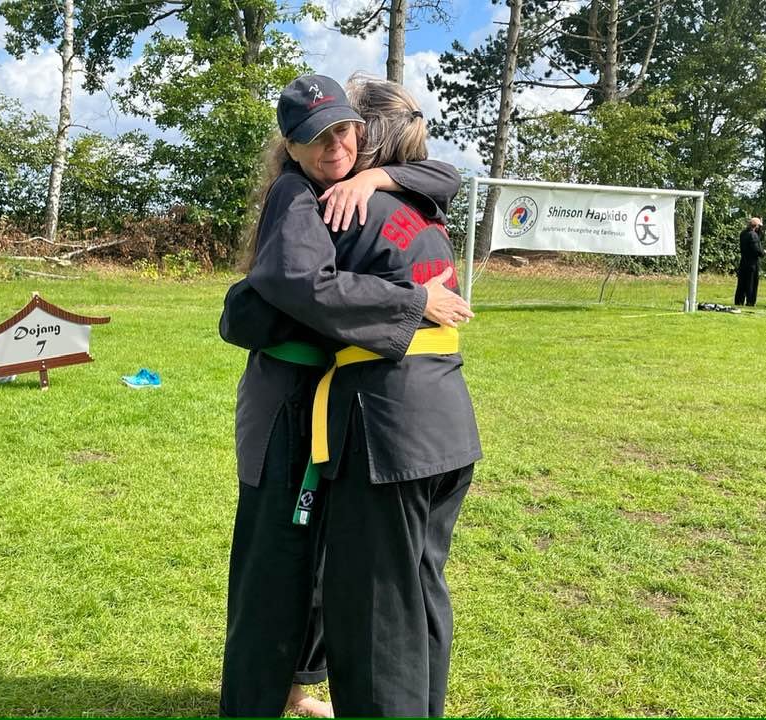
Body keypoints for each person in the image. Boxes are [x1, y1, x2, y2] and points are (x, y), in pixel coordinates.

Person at [218, 74, 472, 718]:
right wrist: (412, 300)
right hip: (288, 403)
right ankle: (258, 698)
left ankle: (298, 683)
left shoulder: (378, 194)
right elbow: (266, 300)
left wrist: (378, 183)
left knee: (343, 565)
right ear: (292, 146)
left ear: (366, 136)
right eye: (318, 135)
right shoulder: (300, 195)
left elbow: (444, 175)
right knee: (275, 556)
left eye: (345, 129)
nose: (336, 145)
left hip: (348, 408)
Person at [734, 216, 766, 306]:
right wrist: (763, 253)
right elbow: (756, 249)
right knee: (751, 282)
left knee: (741, 282)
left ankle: (739, 300)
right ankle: (750, 301)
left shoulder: (743, 233)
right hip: (752, 262)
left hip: (743, 260)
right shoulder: (753, 235)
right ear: (756, 226)